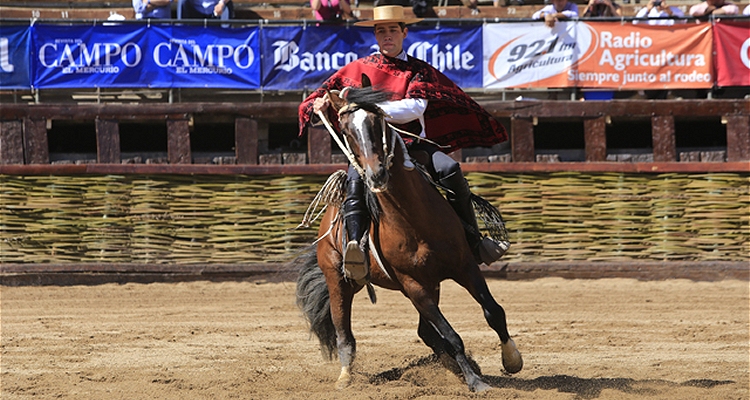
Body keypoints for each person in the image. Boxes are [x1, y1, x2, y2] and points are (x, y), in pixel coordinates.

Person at [299, 5, 509, 282]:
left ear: (404, 33)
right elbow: (317, 101)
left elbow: (416, 107)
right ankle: (355, 249)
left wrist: (375, 109)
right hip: (370, 150)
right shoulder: (356, 68)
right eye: (381, 31)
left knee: (449, 169)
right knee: (354, 181)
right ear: (375, 35)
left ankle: (472, 240)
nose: (387, 36)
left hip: (412, 145)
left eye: (393, 30)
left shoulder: (418, 70)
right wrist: (320, 104)